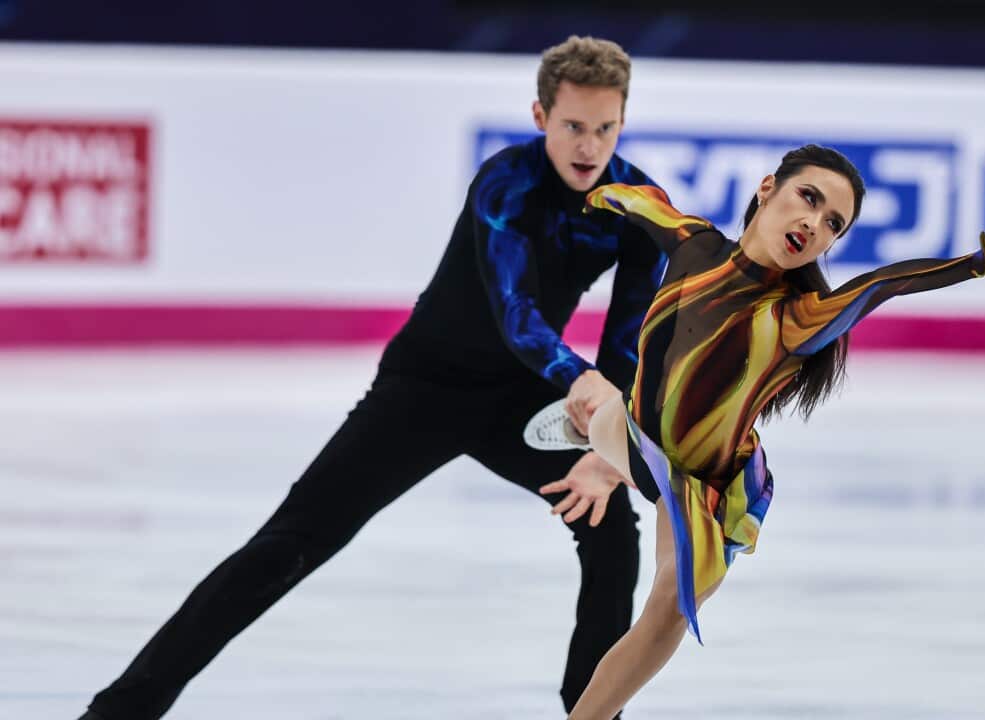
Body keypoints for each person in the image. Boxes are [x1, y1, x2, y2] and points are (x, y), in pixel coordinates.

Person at [79, 35, 664, 720]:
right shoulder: (506, 182)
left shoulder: (637, 208)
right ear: (541, 117)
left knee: (608, 526)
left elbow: (630, 340)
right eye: (573, 126)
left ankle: (591, 714)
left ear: (622, 122)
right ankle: (117, 712)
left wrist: (605, 442)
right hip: (424, 388)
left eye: (604, 128)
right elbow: (515, 313)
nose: (588, 146)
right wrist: (579, 376)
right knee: (289, 546)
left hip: (521, 400)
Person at [535, 144, 985, 719]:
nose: (814, 222)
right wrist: (595, 193)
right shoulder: (695, 243)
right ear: (766, 189)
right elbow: (643, 202)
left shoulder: (800, 317)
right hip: (633, 434)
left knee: (670, 610)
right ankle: (599, 439)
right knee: (599, 411)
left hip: (708, 486)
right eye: (808, 198)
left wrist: (975, 264)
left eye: (834, 223)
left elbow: (882, 284)